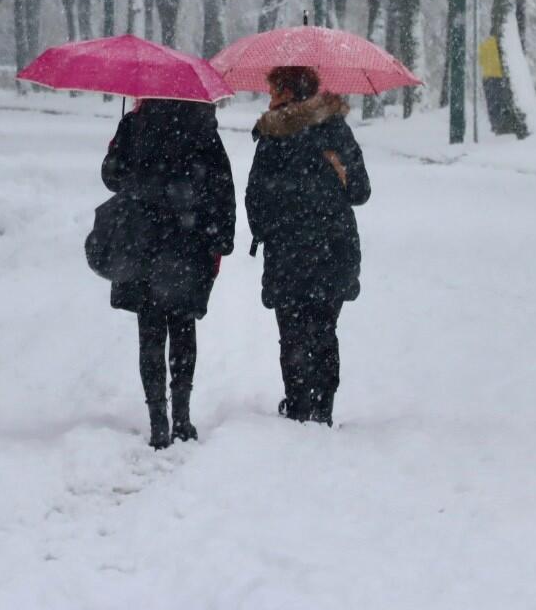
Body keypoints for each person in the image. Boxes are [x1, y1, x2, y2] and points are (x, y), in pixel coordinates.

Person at [101, 99, 235, 449]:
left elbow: (111, 177)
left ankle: (158, 420)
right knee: (182, 327)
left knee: (150, 331)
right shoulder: (201, 128)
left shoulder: (135, 123)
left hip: (142, 243)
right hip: (187, 244)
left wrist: (117, 150)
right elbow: (222, 187)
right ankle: (183, 417)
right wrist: (221, 238)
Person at [244, 66, 370, 426]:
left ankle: (298, 402)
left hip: (287, 251)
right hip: (334, 247)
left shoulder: (272, 135)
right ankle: (323, 405)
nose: (269, 97)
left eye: (272, 89)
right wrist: (339, 174)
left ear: (286, 91)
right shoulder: (336, 130)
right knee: (324, 327)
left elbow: (255, 197)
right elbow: (360, 192)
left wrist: (270, 229)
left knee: (293, 330)